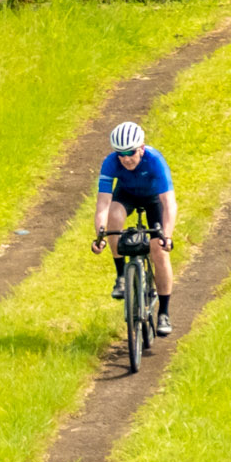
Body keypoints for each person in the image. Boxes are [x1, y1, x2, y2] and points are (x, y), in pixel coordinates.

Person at [91, 121, 176, 336]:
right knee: (114, 216)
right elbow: (103, 203)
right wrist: (100, 234)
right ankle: (121, 276)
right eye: (120, 153)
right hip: (126, 195)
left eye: (130, 152)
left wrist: (167, 236)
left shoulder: (155, 161)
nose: (126, 158)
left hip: (153, 198)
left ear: (141, 148)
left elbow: (169, 203)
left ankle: (163, 313)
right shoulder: (110, 163)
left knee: (158, 251)